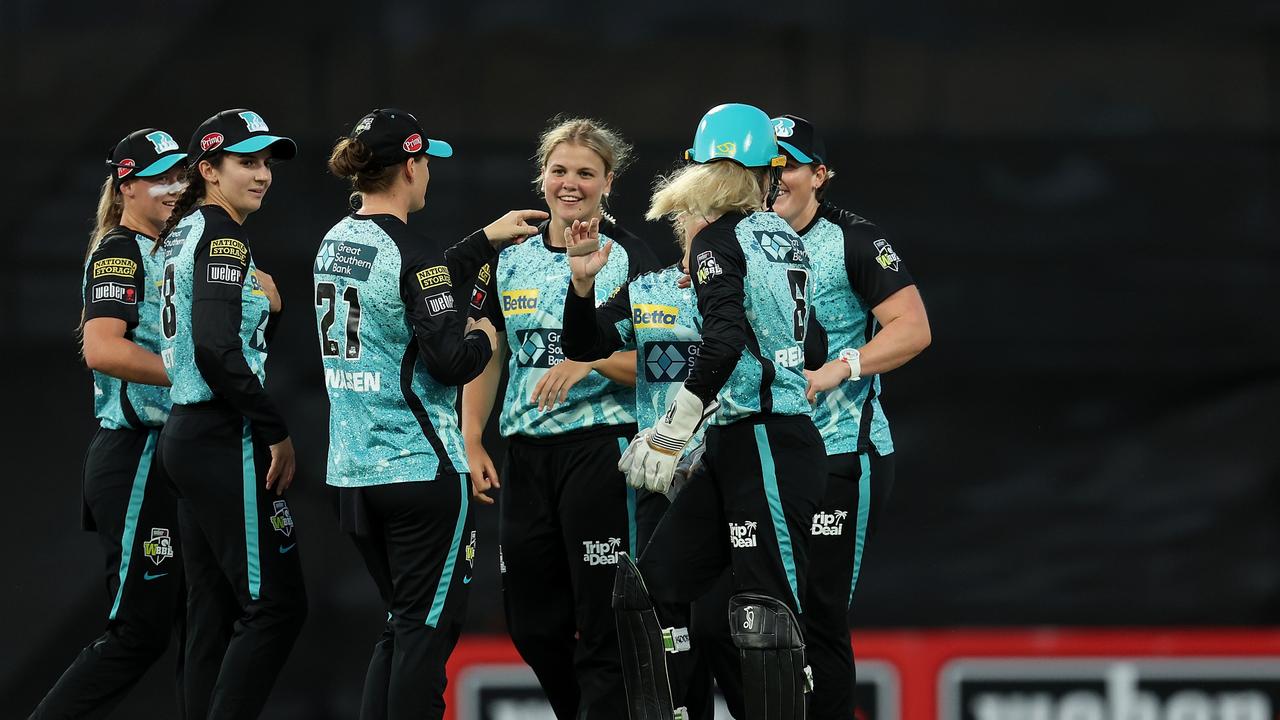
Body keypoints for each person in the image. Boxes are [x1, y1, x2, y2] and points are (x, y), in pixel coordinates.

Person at [562, 102, 828, 720]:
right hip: (745, 444)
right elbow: (804, 344)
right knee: (649, 590)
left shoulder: (718, 237)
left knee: (768, 619)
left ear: (699, 168)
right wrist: (581, 285)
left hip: (764, 442)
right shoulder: (784, 236)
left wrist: (672, 426)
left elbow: (726, 339)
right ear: (766, 171)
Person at [316, 107, 546, 719]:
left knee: (400, 625)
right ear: (410, 166)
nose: (428, 175)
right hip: (422, 470)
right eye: (425, 163)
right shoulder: (414, 251)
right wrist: (484, 341)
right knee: (426, 633)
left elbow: (408, 284)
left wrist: (479, 243)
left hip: (353, 473)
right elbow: (450, 362)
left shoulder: (337, 239)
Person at [462, 117, 658, 719]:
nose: (569, 183)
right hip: (526, 455)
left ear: (608, 182)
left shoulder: (629, 256)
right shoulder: (510, 257)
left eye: (585, 173)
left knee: (602, 625)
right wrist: (471, 436)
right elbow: (486, 346)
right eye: (559, 170)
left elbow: (662, 360)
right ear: (542, 175)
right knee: (532, 624)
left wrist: (592, 361)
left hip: (600, 451)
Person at [770, 114, 931, 718]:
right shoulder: (738, 239)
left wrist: (842, 366)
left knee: (818, 615)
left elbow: (914, 330)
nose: (775, 176)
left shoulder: (853, 240)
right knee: (737, 612)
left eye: (788, 164)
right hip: (763, 454)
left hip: (842, 451)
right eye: (767, 164)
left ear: (820, 175)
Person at [31, 128, 188, 719]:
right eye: (160, 177)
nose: (176, 187)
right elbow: (102, 348)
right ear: (126, 183)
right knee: (139, 632)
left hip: (165, 454)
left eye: (181, 176)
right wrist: (194, 376)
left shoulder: (164, 249)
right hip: (137, 452)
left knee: (194, 621)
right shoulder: (120, 249)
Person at [156, 108, 304, 719]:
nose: (263, 174)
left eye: (266, 161)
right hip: (222, 433)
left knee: (211, 616)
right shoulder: (220, 234)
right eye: (247, 162)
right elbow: (215, 347)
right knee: (276, 605)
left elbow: (210, 331)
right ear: (208, 168)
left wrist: (262, 306)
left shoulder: (180, 232)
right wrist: (275, 430)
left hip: (187, 433)